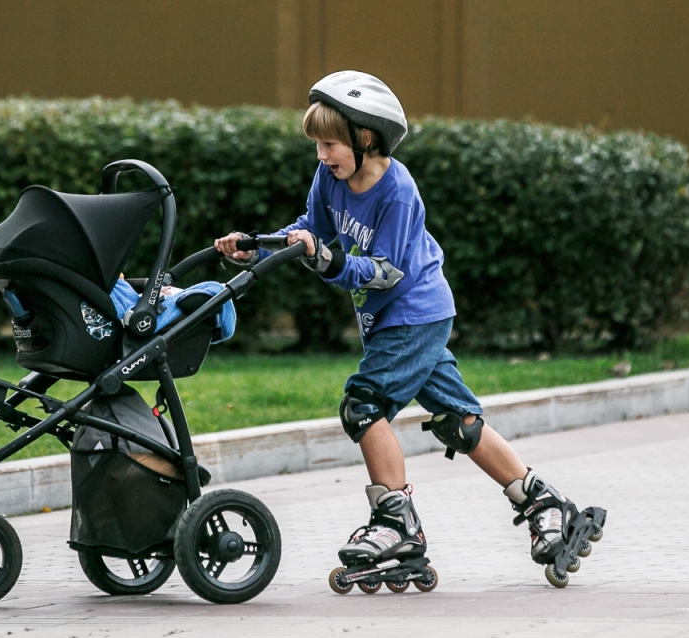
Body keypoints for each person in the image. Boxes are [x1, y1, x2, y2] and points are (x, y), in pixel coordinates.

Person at [215, 71, 605, 588]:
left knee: (364, 405)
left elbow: (386, 271)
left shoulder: (397, 191)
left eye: (328, 143)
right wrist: (261, 242)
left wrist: (326, 260)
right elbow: (311, 229)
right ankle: (542, 501)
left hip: (415, 312)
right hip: (390, 318)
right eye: (317, 145)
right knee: (458, 423)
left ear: (365, 137)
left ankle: (395, 524)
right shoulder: (330, 178)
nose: (321, 155)